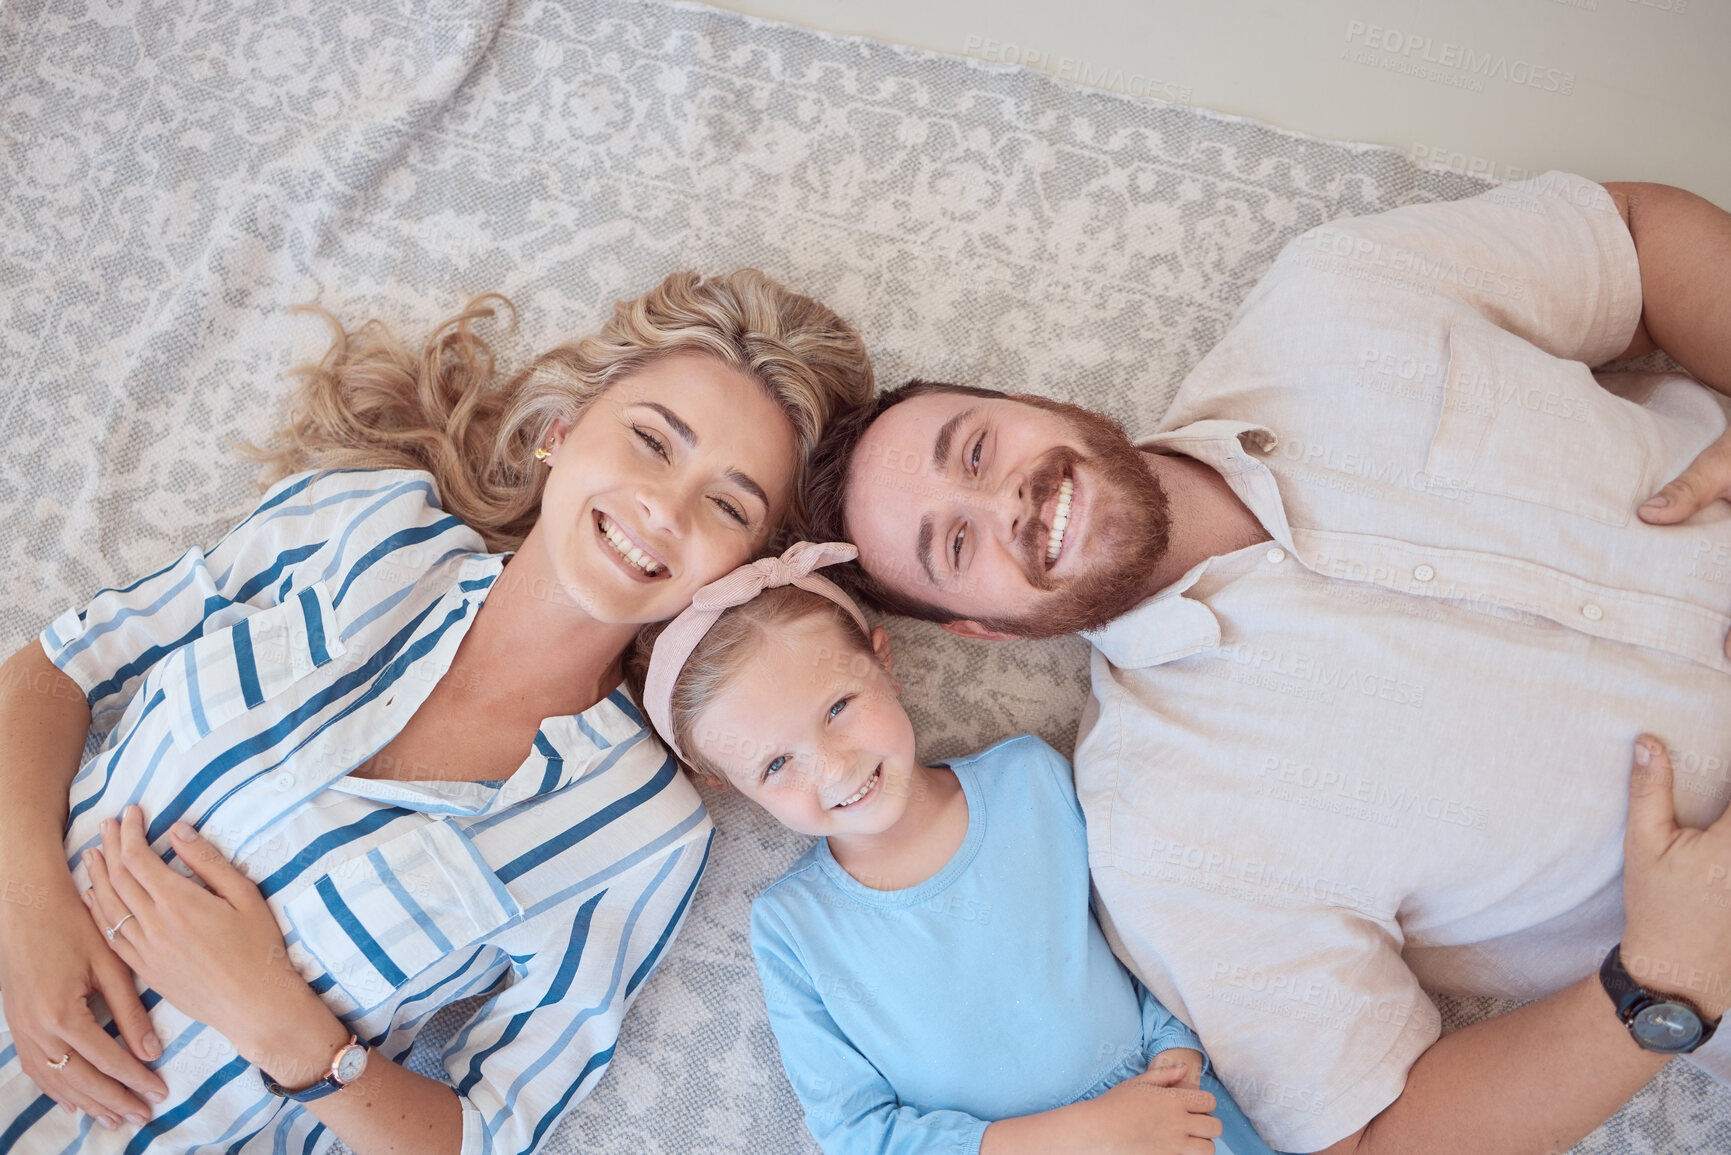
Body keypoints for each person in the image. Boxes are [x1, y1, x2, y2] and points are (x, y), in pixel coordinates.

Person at [798, 171, 1731, 1154]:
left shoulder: (1340, 296)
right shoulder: (1168, 840)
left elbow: (1630, 240)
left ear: (1038, 402)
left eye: (977, 451)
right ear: (989, 632)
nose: (1009, 506)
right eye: (956, 546)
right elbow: (1375, 1137)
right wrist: (1661, 984)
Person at [0, 271, 874, 1153]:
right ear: (560, 432)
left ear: (738, 569)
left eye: (728, 504)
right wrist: (30, 913)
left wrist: (280, 1026)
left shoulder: (641, 831)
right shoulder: (360, 523)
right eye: (651, 440)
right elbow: (53, 670)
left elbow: (490, 1134)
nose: (664, 507)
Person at [624, 540, 1277, 1155]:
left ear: (884, 661)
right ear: (729, 784)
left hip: (1171, 1111)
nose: (832, 766)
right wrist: (1079, 1133)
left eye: (837, 707)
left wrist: (1174, 1056)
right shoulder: (793, 929)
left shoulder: (1029, 780)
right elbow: (857, 1132)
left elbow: (1157, 920)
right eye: (775, 764)